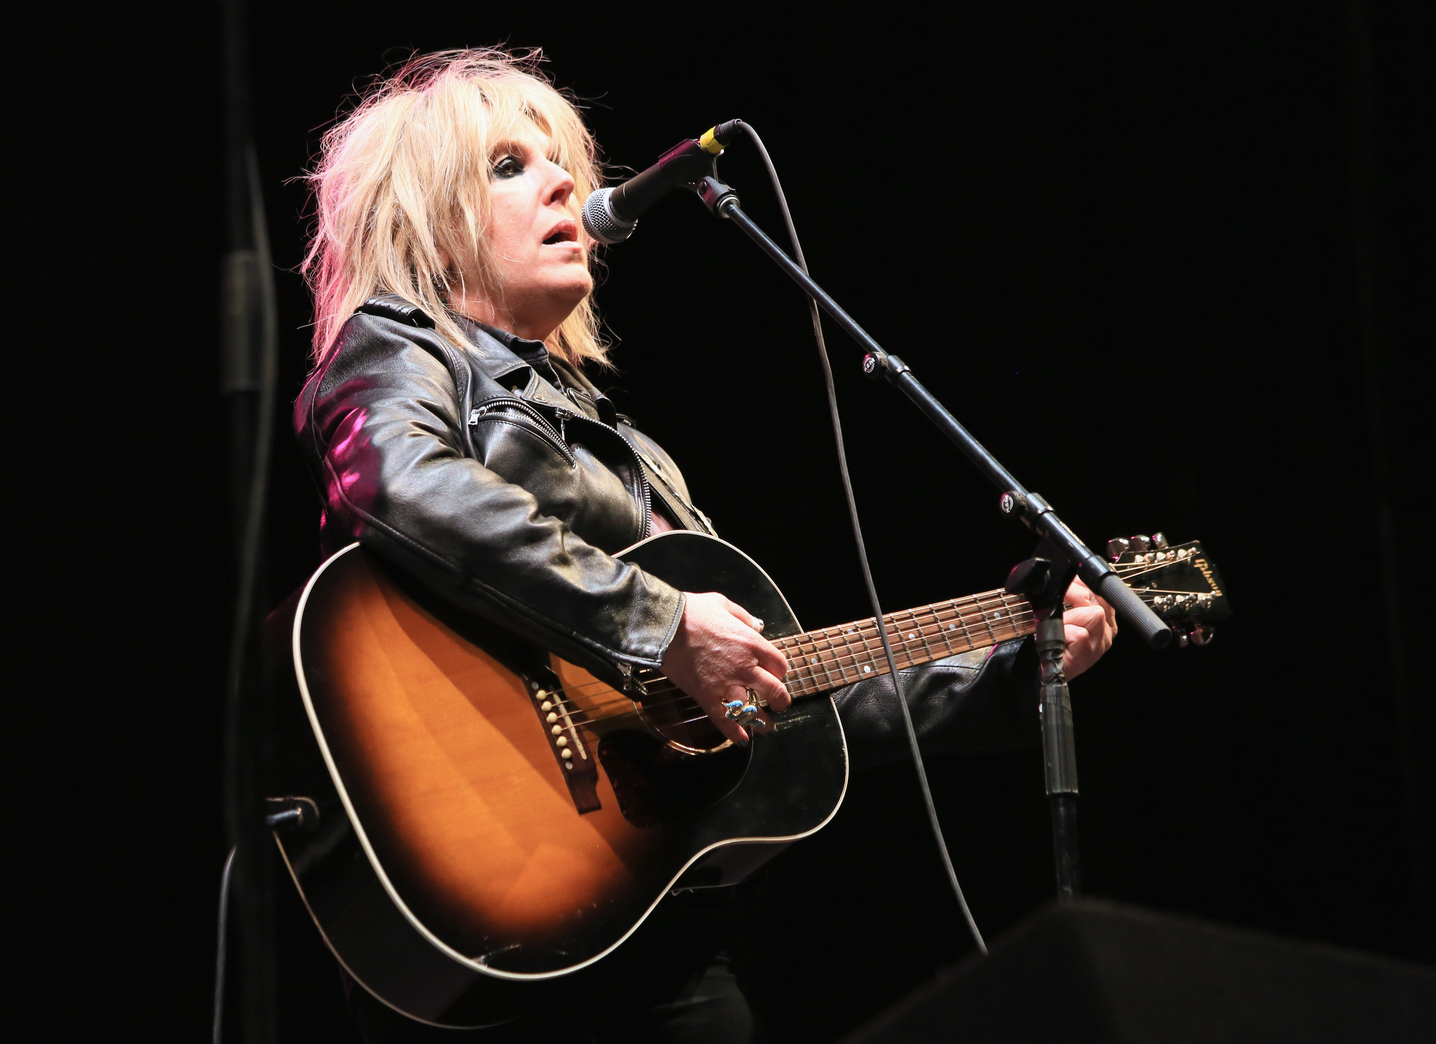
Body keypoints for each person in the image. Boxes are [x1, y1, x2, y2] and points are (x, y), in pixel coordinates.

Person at [294, 48, 1115, 1043]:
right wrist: (660, 622)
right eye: (509, 164)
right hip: (486, 880)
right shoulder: (402, 348)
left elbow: (786, 695)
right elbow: (404, 483)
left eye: (562, 159)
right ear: (421, 218)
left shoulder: (638, 456)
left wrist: (1015, 665)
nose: (566, 180)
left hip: (661, 938)